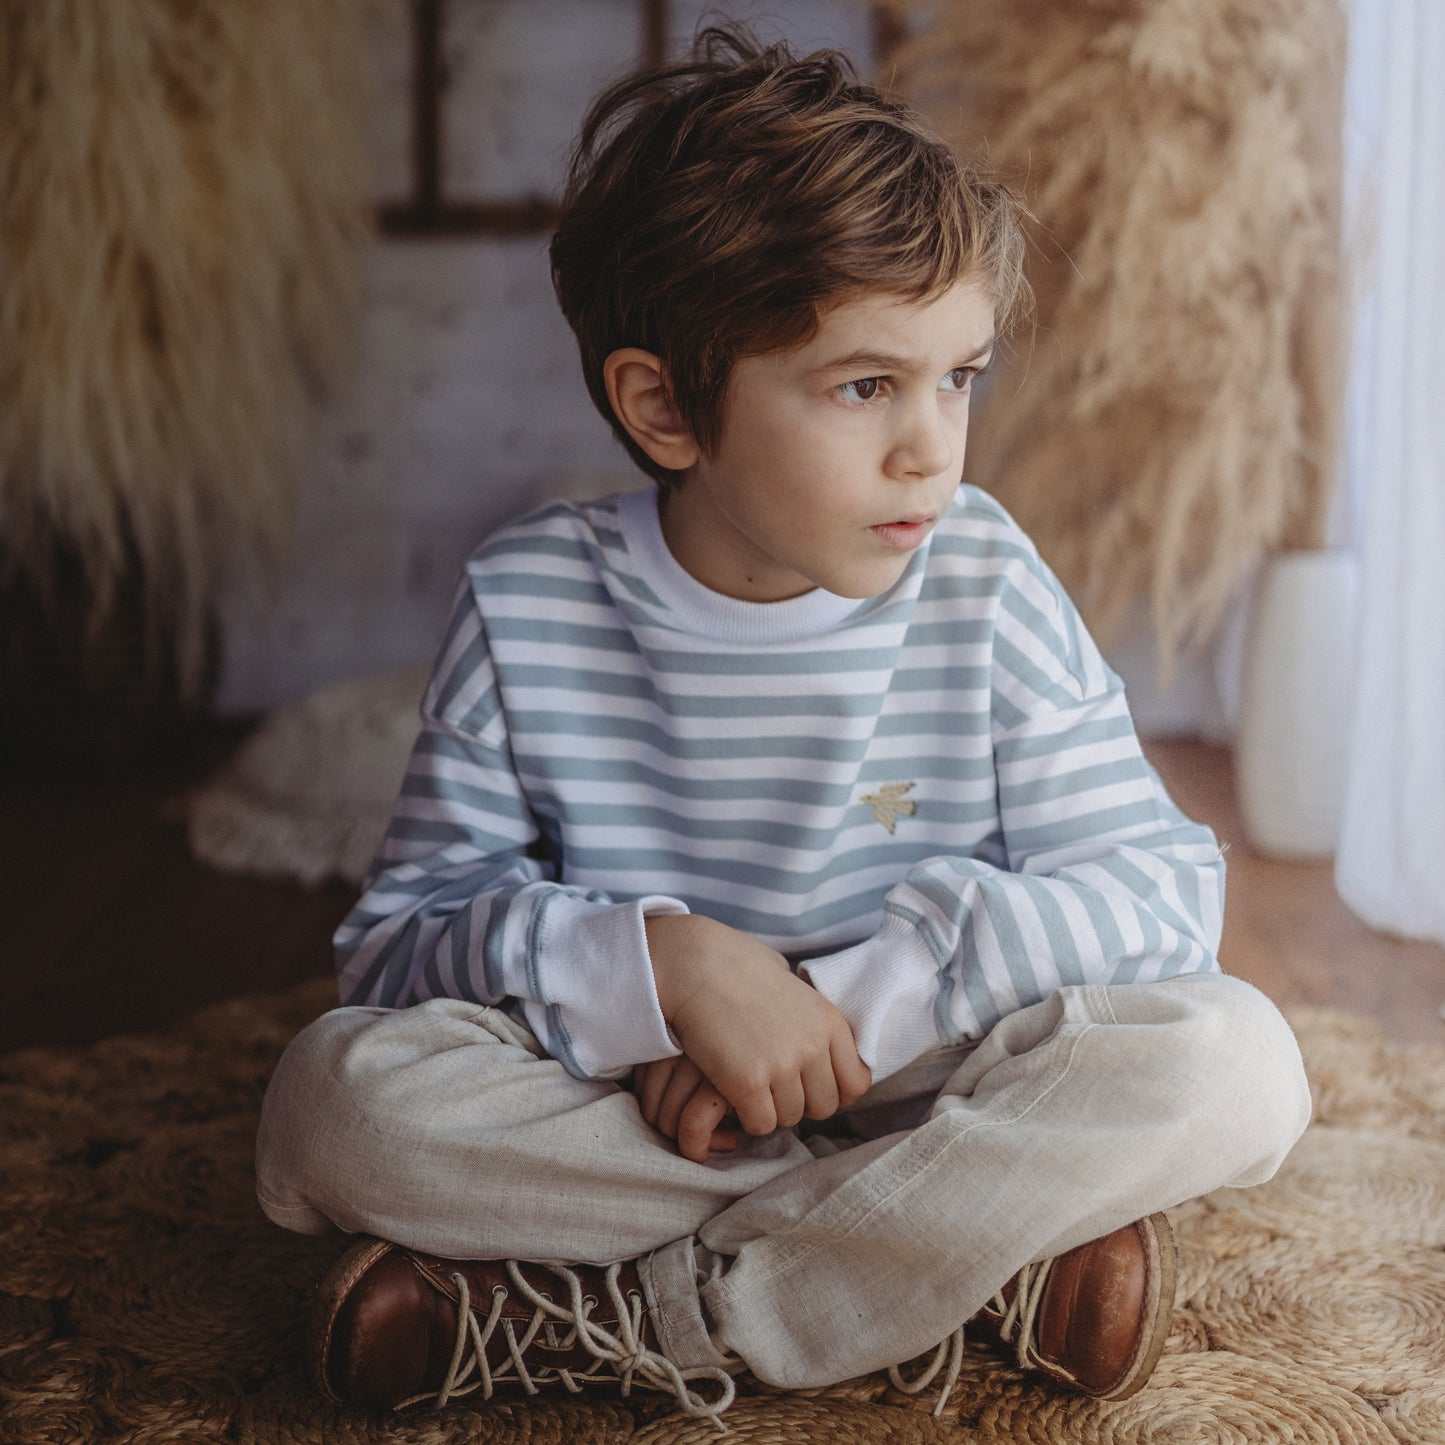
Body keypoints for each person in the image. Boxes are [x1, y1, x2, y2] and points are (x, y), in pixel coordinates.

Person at [256, 27, 1312, 1429]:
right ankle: (953, 1262)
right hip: (643, 1103)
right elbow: (398, 943)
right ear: (664, 404)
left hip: (931, 1077)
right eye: (864, 385)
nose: (931, 447)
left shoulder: (984, 577)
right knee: (333, 1102)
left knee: (1233, 1063)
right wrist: (661, 970)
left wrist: (872, 1007)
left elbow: (1155, 889)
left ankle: (620, 1310)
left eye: (959, 377)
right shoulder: (532, 602)